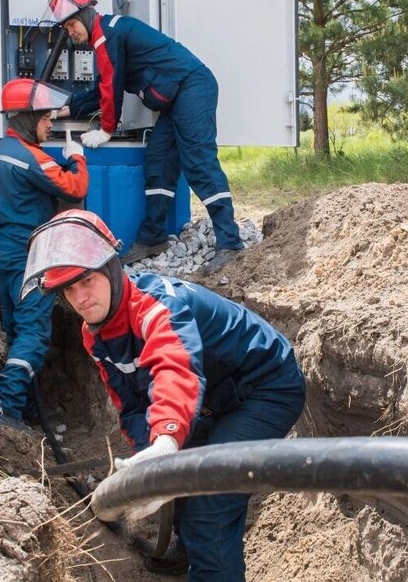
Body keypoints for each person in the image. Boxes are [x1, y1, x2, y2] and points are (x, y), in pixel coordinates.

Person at [19, 209, 306, 581]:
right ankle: (192, 554)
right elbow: (131, 403)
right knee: (181, 481)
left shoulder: (158, 307)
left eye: (86, 280)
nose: (81, 298)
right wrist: (149, 453)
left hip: (264, 387)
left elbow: (175, 368)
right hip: (213, 396)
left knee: (210, 503)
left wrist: (168, 438)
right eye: (68, 290)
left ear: (111, 269)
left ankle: (210, 562)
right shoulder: (95, 335)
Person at [42, 0, 244, 273]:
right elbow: (102, 90)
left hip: (192, 87)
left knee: (198, 162)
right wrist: (67, 108)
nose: (70, 32)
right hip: (176, 98)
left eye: (71, 24)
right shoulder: (106, 36)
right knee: (158, 161)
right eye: (65, 28)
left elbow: (111, 86)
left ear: (86, 15)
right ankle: (153, 238)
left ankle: (230, 243)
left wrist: (106, 130)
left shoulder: (107, 34)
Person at [0, 78, 88, 426]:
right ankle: (7, 408)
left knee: (15, 328)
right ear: (26, 118)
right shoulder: (31, 158)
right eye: (44, 118)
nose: (50, 124)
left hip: (4, 251)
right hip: (30, 256)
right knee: (34, 333)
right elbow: (75, 188)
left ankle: (27, 407)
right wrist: (76, 158)